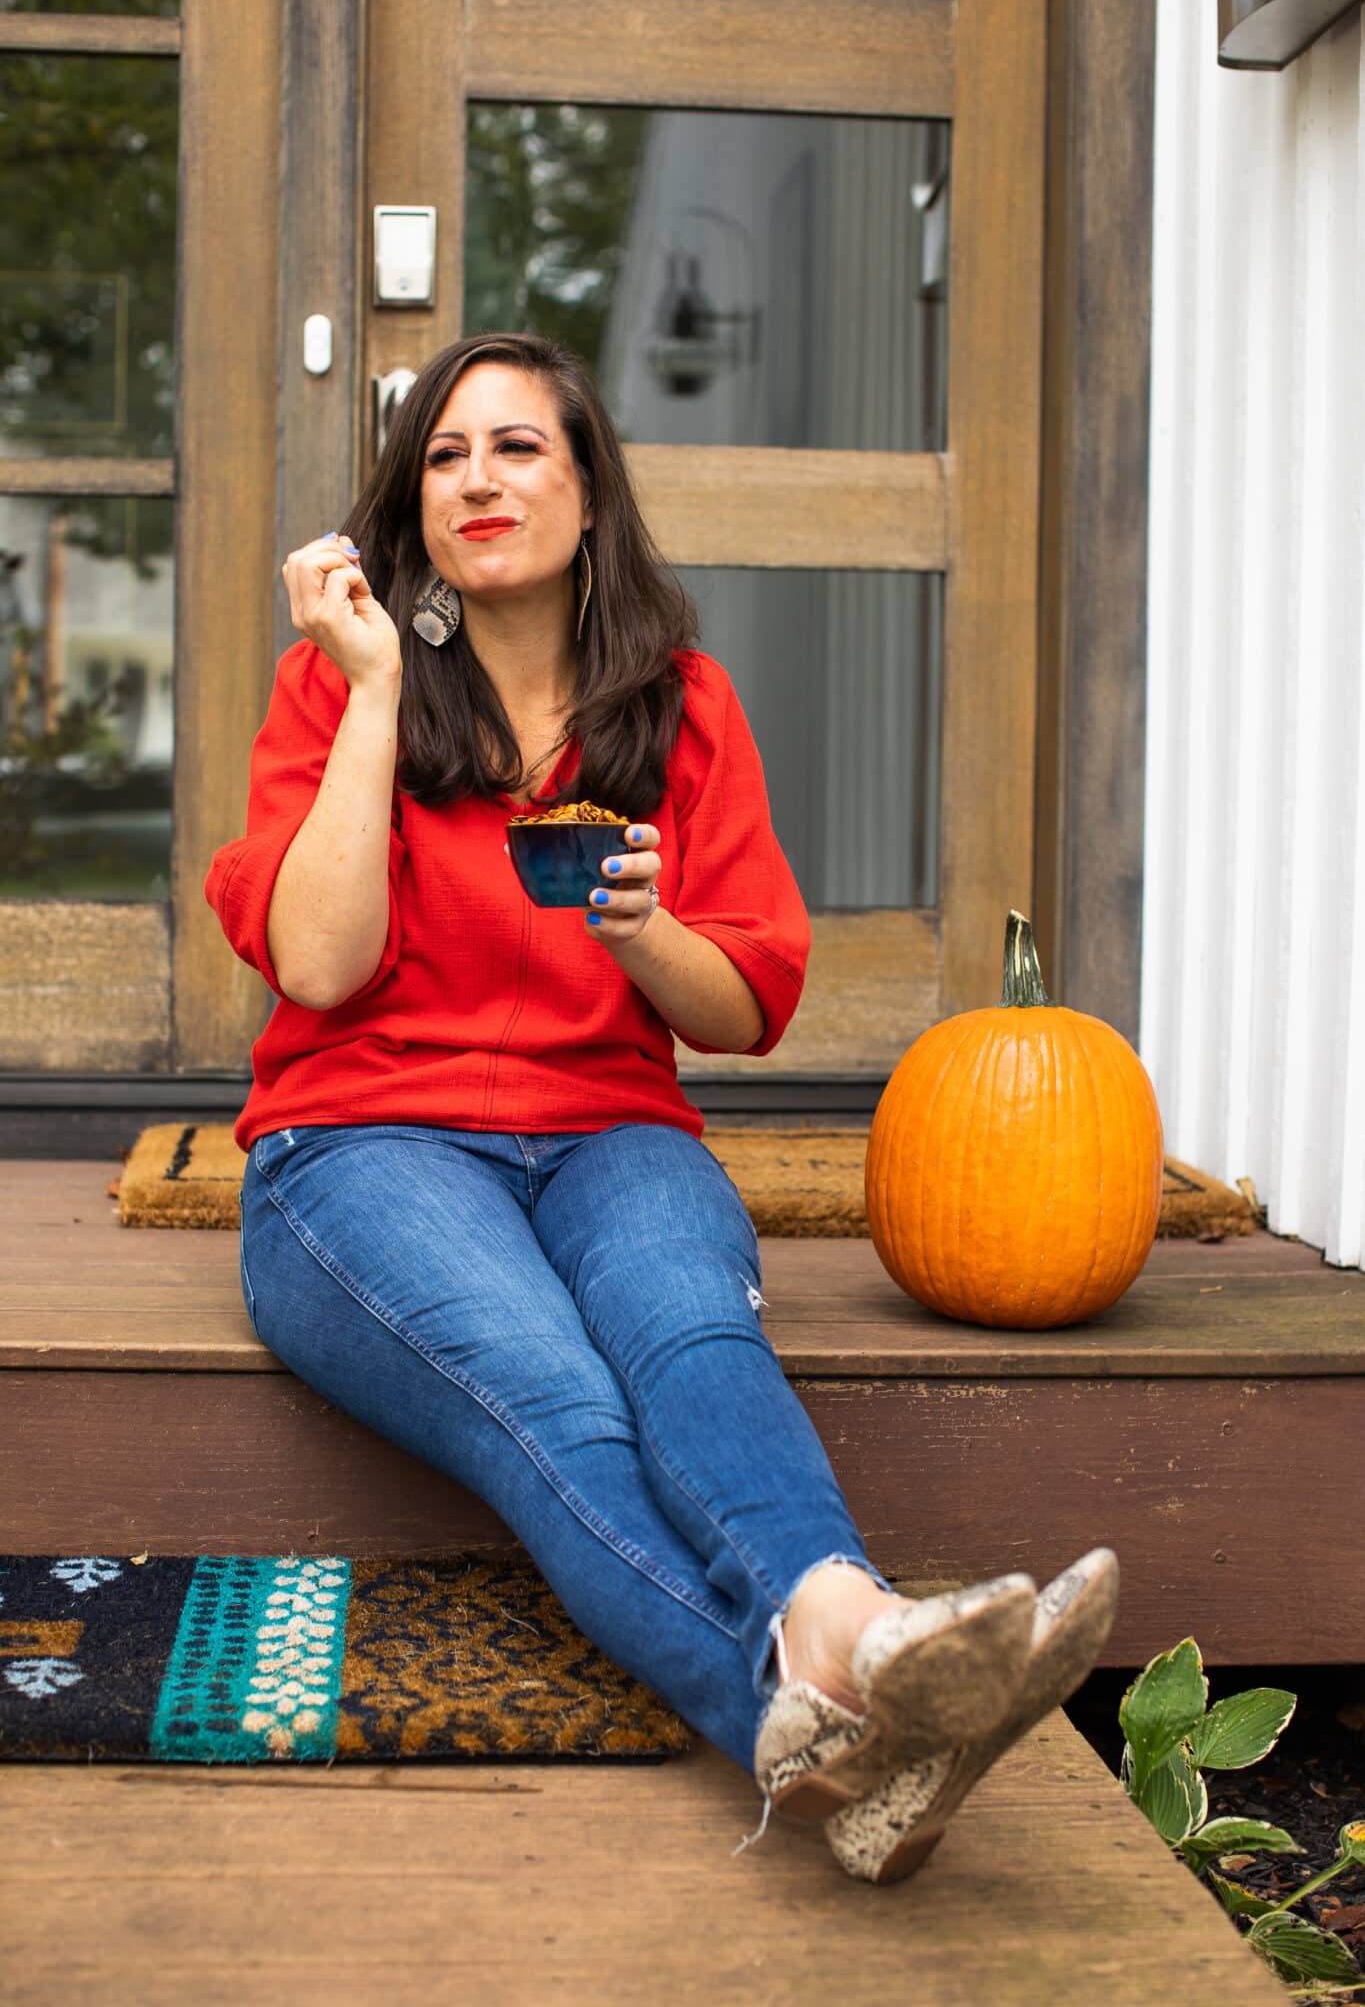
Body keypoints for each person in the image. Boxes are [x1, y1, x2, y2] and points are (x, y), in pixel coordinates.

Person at [207, 331, 1118, 1885]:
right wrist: (371, 698)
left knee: (684, 1333)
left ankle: (849, 1649)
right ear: (408, 505)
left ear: (586, 488)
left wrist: (642, 930)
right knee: (557, 1398)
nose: (477, 480)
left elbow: (747, 1006)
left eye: (517, 448)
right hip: (358, 1142)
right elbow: (319, 958)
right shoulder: (332, 689)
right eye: (442, 455)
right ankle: (835, 1675)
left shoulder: (679, 707)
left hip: (609, 1132)